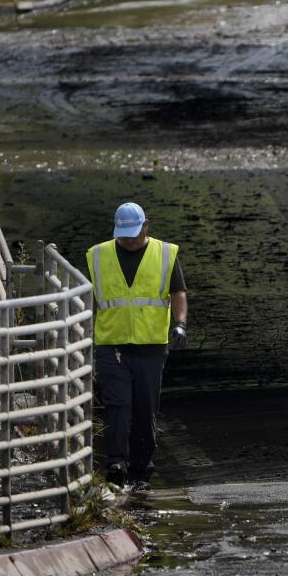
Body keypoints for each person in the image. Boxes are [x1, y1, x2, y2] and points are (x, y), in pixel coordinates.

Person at [86, 202, 188, 493]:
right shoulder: (98, 255)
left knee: (145, 410)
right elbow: (90, 298)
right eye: (124, 234)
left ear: (146, 226)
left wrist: (179, 324)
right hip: (111, 344)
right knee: (118, 406)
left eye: (133, 233)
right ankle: (116, 464)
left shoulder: (165, 254)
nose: (128, 240)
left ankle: (142, 470)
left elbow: (178, 292)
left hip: (151, 346)